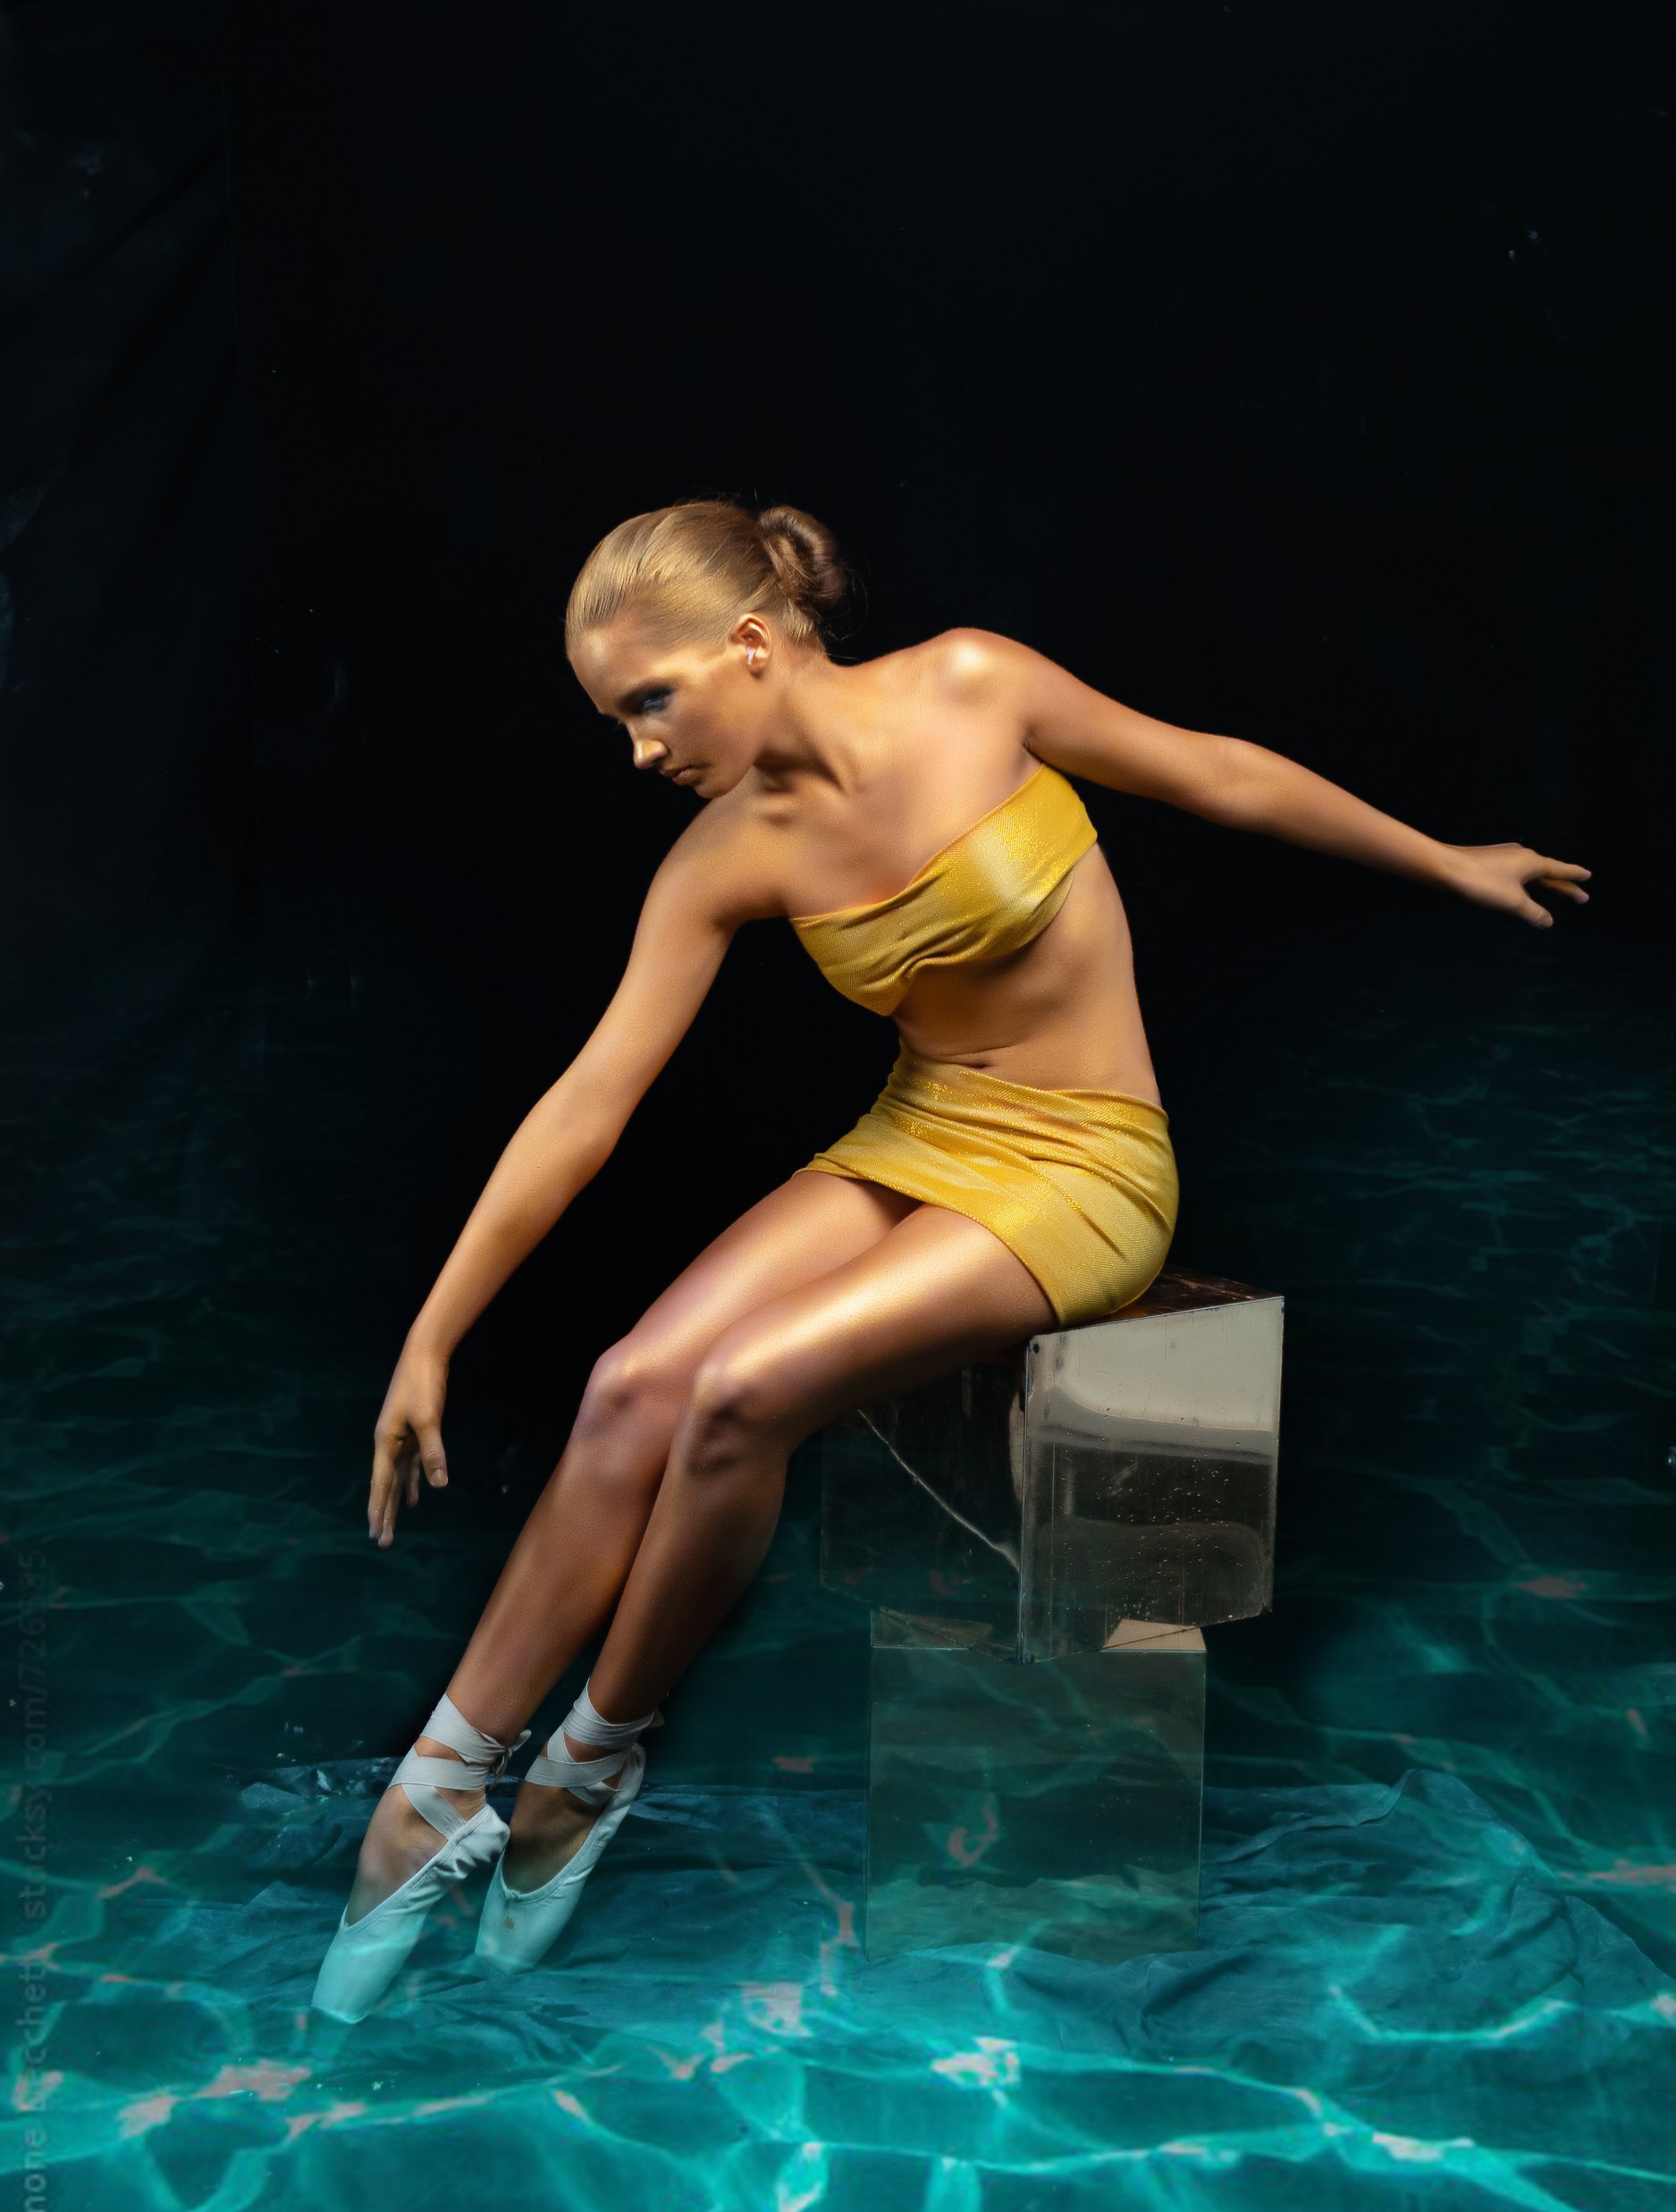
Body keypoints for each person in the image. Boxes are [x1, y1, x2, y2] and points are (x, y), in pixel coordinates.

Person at [310, 497, 1590, 2021]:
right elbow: (590, 1101)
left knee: (739, 1393)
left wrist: (1441, 859)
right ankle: (433, 1791)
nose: (640, 751)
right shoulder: (726, 853)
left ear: (752, 642)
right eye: (616, 721)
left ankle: (586, 1770)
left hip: (1090, 1162)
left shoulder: (976, 683)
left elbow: (1219, 773)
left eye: (651, 701)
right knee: (629, 1385)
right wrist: (435, 1333)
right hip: (920, 1133)